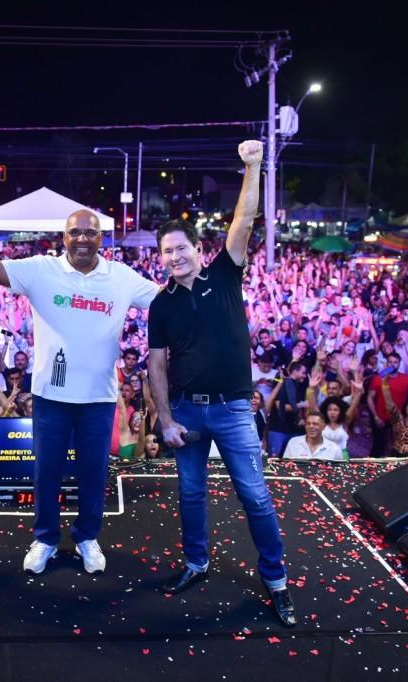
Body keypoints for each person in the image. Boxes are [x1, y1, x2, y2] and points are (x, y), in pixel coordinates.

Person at [0, 194, 159, 577]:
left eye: (89, 233)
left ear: (101, 239)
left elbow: (164, 301)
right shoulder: (41, 270)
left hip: (98, 399)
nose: (82, 238)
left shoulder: (121, 278)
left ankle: (87, 536)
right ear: (63, 237)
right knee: (46, 472)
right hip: (51, 398)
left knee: (94, 472)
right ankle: (44, 538)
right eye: (74, 232)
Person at [147, 140, 297, 627]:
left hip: (233, 410)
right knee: (190, 494)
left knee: (254, 495)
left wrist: (252, 168)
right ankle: (196, 563)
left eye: (181, 248)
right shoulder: (161, 305)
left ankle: (276, 580)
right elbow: (155, 365)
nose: (175, 256)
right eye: (167, 251)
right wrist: (165, 419)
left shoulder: (225, 273)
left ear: (197, 248)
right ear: (160, 257)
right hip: (187, 412)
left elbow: (245, 220)